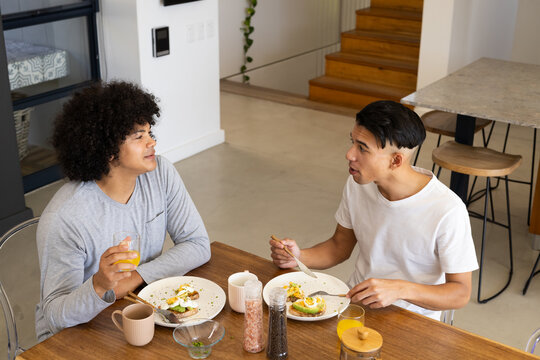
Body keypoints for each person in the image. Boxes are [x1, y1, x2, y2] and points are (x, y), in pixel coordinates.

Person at [269, 100, 478, 320]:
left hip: (415, 320)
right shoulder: (358, 184)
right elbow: (339, 247)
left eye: (362, 148)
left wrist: (400, 289)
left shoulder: (447, 210)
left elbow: (460, 292)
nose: (349, 154)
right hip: (356, 307)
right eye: (352, 142)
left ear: (396, 160)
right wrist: (299, 257)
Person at [35, 81, 211, 340]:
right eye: (138, 136)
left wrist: (135, 277)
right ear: (106, 150)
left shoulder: (161, 174)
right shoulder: (65, 218)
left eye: (150, 132)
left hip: (134, 309)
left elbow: (198, 244)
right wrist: (100, 286)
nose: (151, 142)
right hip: (74, 335)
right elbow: (55, 317)